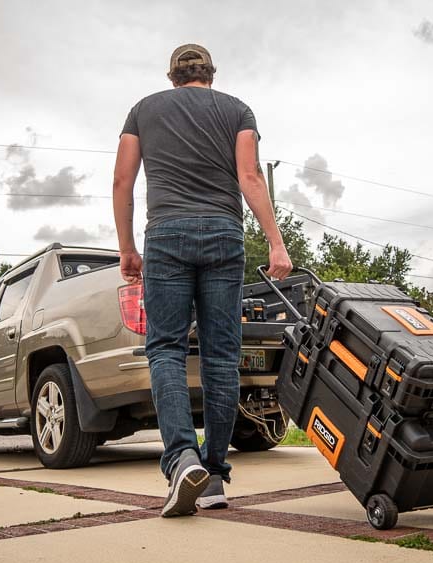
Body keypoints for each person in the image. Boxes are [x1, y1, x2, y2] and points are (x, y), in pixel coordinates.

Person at [112, 43, 292, 517]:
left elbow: (122, 183)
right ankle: (212, 475)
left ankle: (181, 458)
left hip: (166, 234)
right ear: (210, 74)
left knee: (166, 349)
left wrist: (128, 247)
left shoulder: (143, 110)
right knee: (221, 356)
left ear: (172, 76)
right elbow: (250, 176)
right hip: (223, 233)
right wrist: (276, 243)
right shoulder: (237, 109)